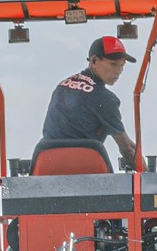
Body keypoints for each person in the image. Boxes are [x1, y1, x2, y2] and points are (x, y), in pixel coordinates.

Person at [37, 35, 141, 170]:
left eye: (122, 66)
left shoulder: (61, 86)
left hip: (45, 164)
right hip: (85, 167)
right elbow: (127, 148)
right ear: (94, 61)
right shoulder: (104, 98)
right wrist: (150, 178)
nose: (118, 71)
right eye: (113, 64)